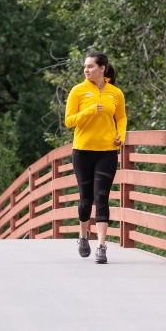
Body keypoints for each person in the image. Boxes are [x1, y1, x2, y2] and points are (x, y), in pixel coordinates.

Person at [64, 51, 126, 264]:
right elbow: (69, 121)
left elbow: (122, 117)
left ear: (102, 68)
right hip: (82, 151)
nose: (86, 70)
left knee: (102, 197)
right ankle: (83, 236)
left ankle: (101, 246)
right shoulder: (78, 91)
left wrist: (122, 136)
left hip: (107, 151)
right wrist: (90, 110)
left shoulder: (115, 93)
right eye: (85, 67)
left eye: (90, 66)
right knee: (85, 199)